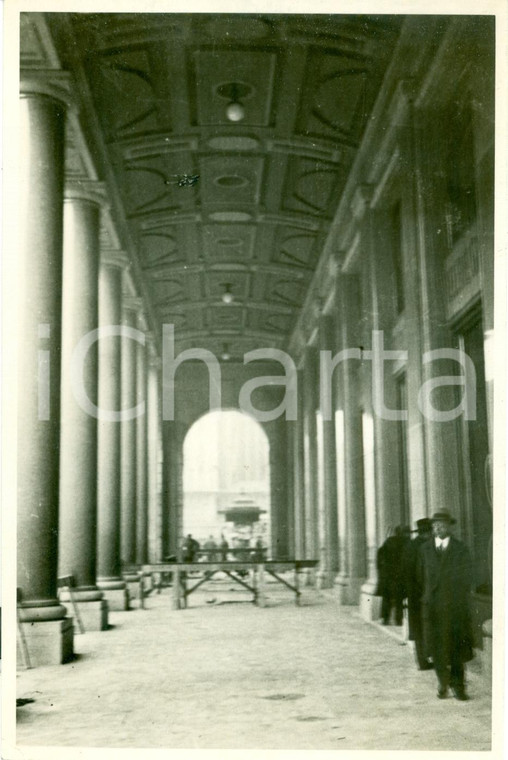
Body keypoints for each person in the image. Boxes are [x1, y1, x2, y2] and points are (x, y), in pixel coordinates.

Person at [417, 510, 474, 700]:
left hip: (454, 607)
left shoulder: (460, 549)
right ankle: (443, 682)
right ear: (432, 528)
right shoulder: (425, 549)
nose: (438, 528)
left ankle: (459, 686)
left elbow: (467, 577)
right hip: (432, 607)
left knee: (456, 647)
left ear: (449, 526)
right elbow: (420, 577)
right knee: (436, 648)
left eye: (442, 524)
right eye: (435, 525)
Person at [403, 518, 433, 670]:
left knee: (417, 627)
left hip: (412, 594)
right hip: (423, 594)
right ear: (428, 532)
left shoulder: (410, 546)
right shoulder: (425, 546)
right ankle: (427, 659)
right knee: (425, 626)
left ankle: (421, 660)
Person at [376, 526, 409, 626]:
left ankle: (384, 618)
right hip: (400, 576)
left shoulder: (387, 542)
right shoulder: (406, 543)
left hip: (387, 577)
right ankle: (398, 620)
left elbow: (379, 557)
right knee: (399, 599)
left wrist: (382, 572)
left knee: (387, 598)